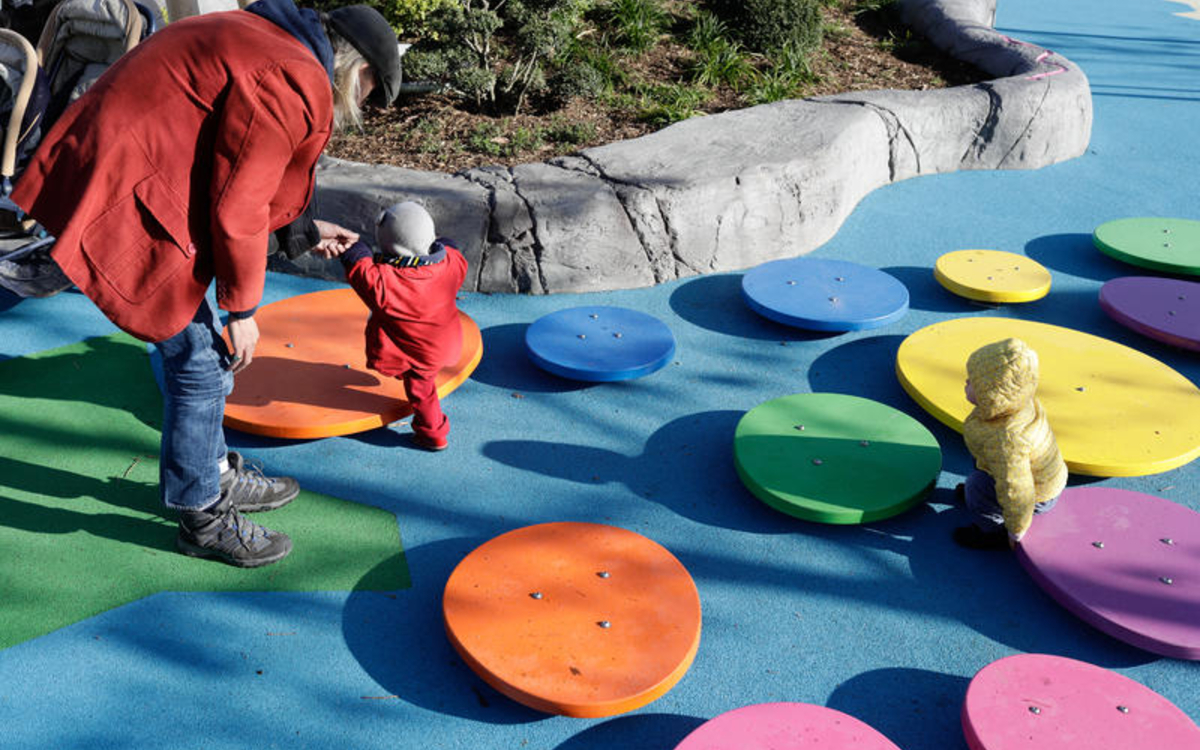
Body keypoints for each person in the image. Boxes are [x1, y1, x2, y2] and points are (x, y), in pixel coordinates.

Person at [11, 0, 404, 567]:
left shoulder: (266, 38)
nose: (360, 106)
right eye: (369, 93)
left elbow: (236, 157)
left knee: (196, 355)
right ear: (358, 71)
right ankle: (202, 514)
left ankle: (212, 471)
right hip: (126, 188)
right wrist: (242, 309)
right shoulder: (293, 78)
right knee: (197, 360)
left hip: (130, 169)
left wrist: (302, 230)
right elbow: (239, 206)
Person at [337, 201, 468, 451]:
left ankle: (434, 434)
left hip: (421, 353)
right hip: (447, 341)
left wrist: (354, 248)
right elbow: (453, 249)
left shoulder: (387, 283)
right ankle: (404, 372)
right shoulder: (451, 264)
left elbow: (361, 270)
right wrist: (447, 242)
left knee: (422, 388)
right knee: (414, 362)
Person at [954, 337, 1068, 550]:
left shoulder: (1007, 439)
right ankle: (988, 498)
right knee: (984, 458)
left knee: (977, 486)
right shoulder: (1017, 402)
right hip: (1045, 477)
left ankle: (991, 530)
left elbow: (1017, 488)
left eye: (973, 383)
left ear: (993, 396)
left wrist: (1016, 530)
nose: (966, 383)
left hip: (1036, 496)